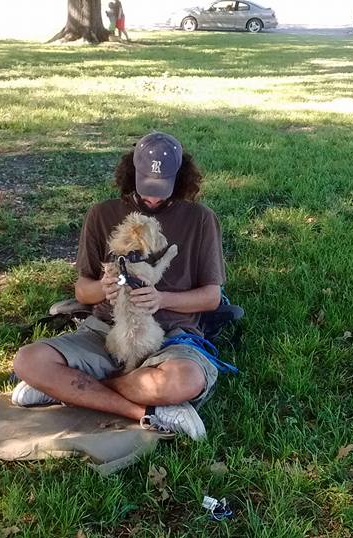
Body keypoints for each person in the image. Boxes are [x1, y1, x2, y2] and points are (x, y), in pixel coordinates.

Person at [11, 132, 226, 441]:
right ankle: (148, 413)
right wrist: (104, 289)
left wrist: (162, 299)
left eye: (162, 190)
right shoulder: (101, 215)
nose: (152, 199)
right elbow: (82, 291)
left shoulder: (201, 219)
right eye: (146, 187)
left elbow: (211, 298)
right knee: (28, 361)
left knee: (184, 381)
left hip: (169, 338)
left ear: (180, 179)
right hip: (105, 331)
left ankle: (71, 387)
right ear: (131, 173)